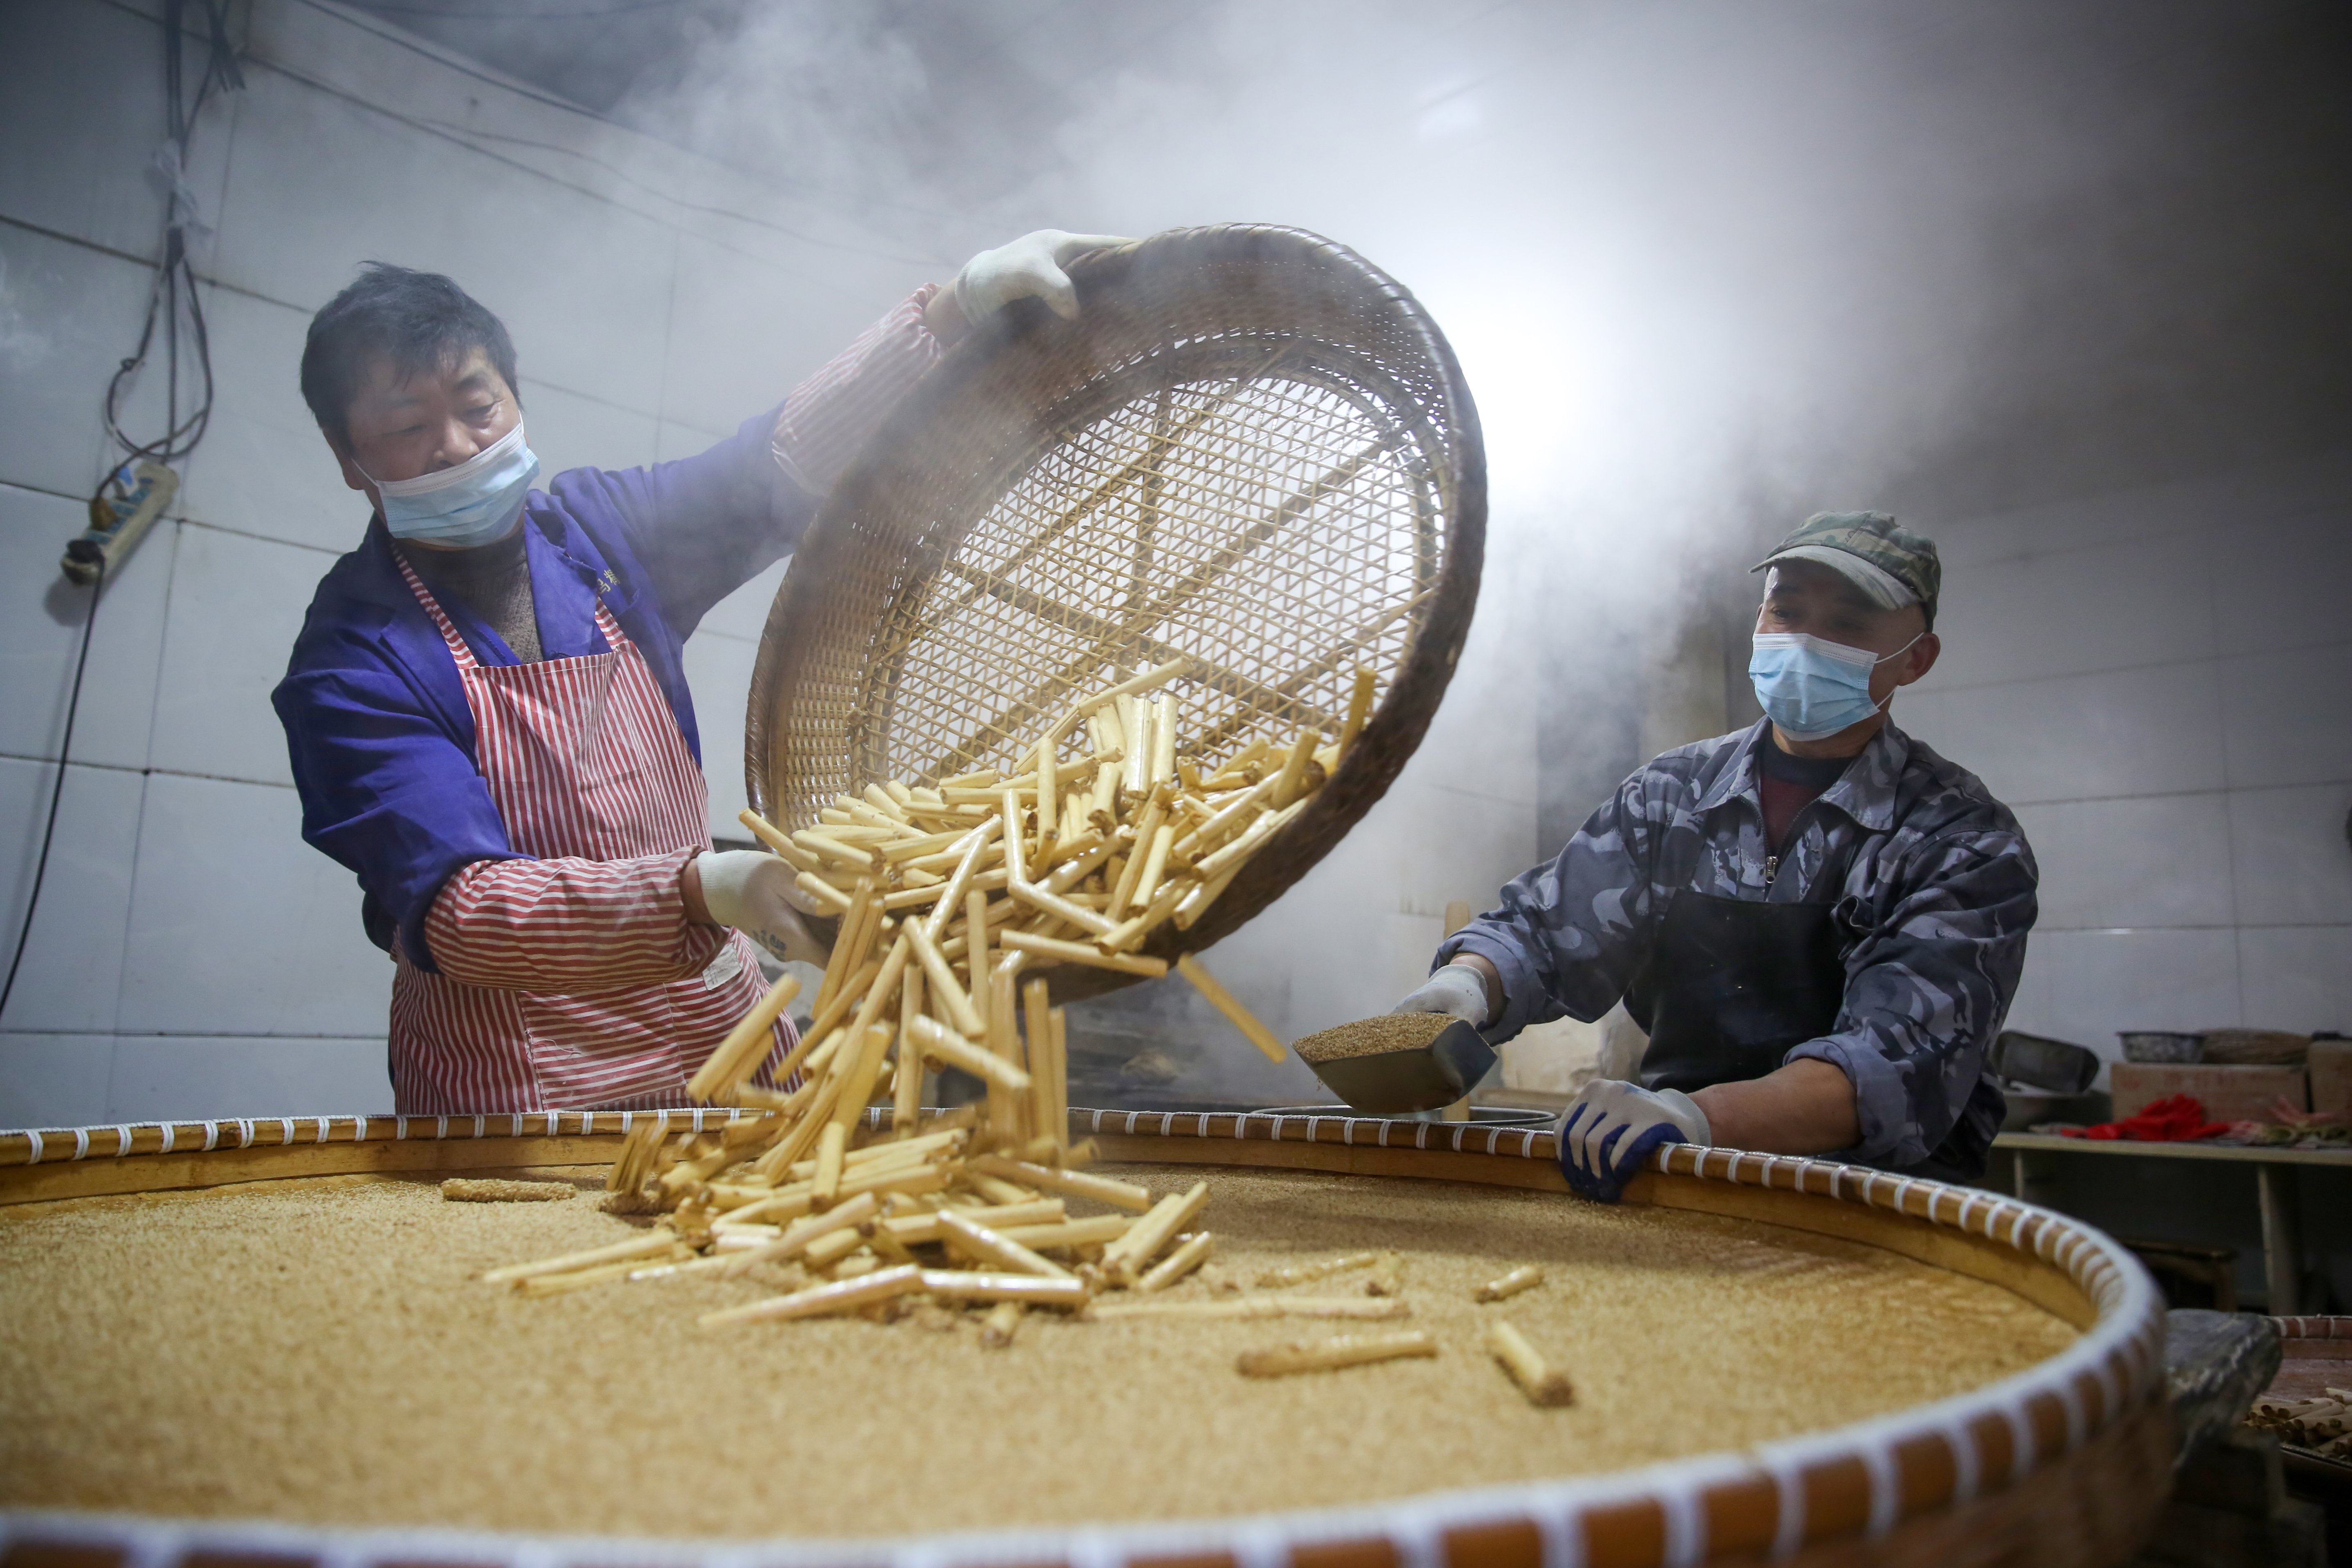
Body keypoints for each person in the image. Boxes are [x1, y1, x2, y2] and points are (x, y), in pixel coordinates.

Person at [274, 231, 1125, 1114]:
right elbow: (463, 913)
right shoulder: (354, 662)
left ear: (516, 401)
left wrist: (953, 311)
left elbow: (778, 467)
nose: (456, 446)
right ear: (351, 463)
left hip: (725, 1037)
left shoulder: (602, 540)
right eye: (409, 429)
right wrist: (699, 888)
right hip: (526, 1082)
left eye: (476, 406)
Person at [1396, 513, 2036, 1199]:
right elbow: (1549, 930)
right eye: (1785, 612)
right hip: (1683, 1178)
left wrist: (1696, 1115)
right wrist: (1468, 983)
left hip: (1879, 1202)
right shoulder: (1672, 795)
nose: (1802, 643)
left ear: (1916, 658)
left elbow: (1891, 1067)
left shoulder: (1959, 838)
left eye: (1846, 626)